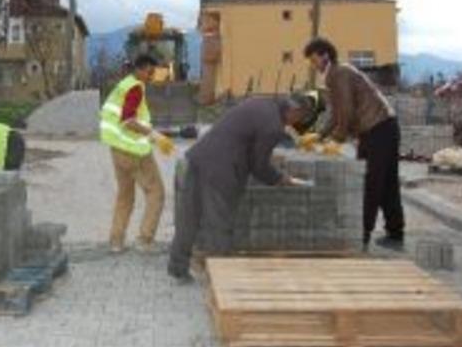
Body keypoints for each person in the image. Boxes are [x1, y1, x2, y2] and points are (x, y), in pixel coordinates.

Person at [167, 93, 318, 283]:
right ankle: (219, 278)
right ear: (294, 110)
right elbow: (258, 165)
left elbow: (243, 138)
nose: (297, 123)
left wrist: (266, 156)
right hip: (222, 169)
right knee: (219, 223)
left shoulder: (260, 102)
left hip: (199, 158)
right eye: (300, 118)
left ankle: (177, 267)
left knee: (189, 217)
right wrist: (279, 178)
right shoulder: (273, 126)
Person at [303, 37, 405, 251]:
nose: (313, 65)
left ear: (325, 55)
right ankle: (395, 232)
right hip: (383, 127)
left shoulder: (339, 73)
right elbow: (336, 113)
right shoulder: (336, 74)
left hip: (378, 129)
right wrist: (320, 136)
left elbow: (346, 111)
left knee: (370, 183)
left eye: (314, 59)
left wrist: (337, 140)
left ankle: (362, 235)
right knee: (386, 183)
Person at [100, 54, 175, 254]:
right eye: (149, 72)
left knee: (125, 195)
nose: (151, 76)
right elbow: (128, 121)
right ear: (140, 69)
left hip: (117, 148)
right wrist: (155, 136)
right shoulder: (134, 88)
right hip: (134, 150)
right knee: (156, 192)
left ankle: (116, 241)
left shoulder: (123, 85)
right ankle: (145, 240)